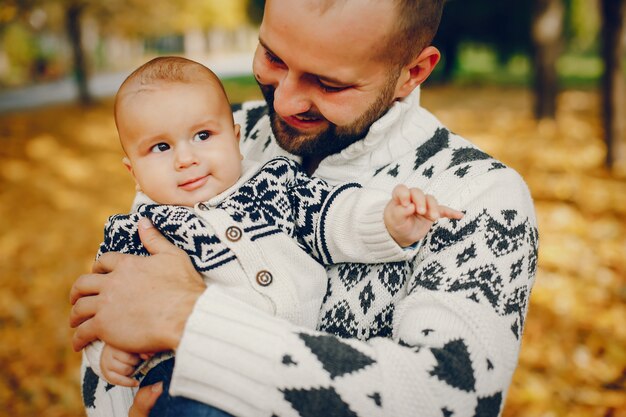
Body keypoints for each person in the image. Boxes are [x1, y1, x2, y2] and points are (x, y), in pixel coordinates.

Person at [70, 1, 539, 416]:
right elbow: (116, 329)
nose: (285, 99)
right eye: (273, 56)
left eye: (329, 84)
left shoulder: (475, 195)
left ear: (412, 72)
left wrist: (191, 321)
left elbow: (451, 400)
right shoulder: (216, 134)